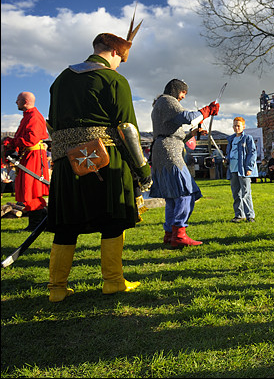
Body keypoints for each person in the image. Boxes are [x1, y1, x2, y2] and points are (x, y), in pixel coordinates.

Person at [45, 18, 152, 302]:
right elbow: (126, 127)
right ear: (115, 53)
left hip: (67, 162)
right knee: (112, 219)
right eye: (121, 59)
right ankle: (113, 281)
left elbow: (52, 125)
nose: (120, 65)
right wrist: (142, 169)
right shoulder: (114, 79)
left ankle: (57, 289)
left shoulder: (60, 80)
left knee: (66, 224)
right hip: (106, 159)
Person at [150, 79, 219, 248]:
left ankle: (170, 234)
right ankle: (179, 233)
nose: (182, 97)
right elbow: (188, 117)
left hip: (163, 149)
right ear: (175, 89)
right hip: (169, 152)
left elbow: (173, 134)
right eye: (183, 93)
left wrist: (193, 133)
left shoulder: (160, 104)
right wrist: (207, 110)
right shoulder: (167, 100)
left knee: (173, 197)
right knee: (185, 193)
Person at [1, 92, 50, 231]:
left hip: (33, 155)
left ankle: (38, 223)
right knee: (28, 189)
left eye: (18, 100)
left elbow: (31, 139)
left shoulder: (33, 117)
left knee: (32, 189)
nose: (16, 102)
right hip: (28, 155)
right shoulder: (27, 116)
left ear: (25, 101)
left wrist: (11, 141)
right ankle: (39, 223)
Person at [226, 117, 258, 222]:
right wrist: (226, 160)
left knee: (246, 192)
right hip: (233, 169)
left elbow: (252, 153)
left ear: (243, 127)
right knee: (236, 193)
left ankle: (250, 216)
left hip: (243, 169)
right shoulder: (231, 139)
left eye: (238, 125)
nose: (236, 127)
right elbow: (229, 153)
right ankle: (239, 215)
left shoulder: (247, 138)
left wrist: (249, 167)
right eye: (234, 125)